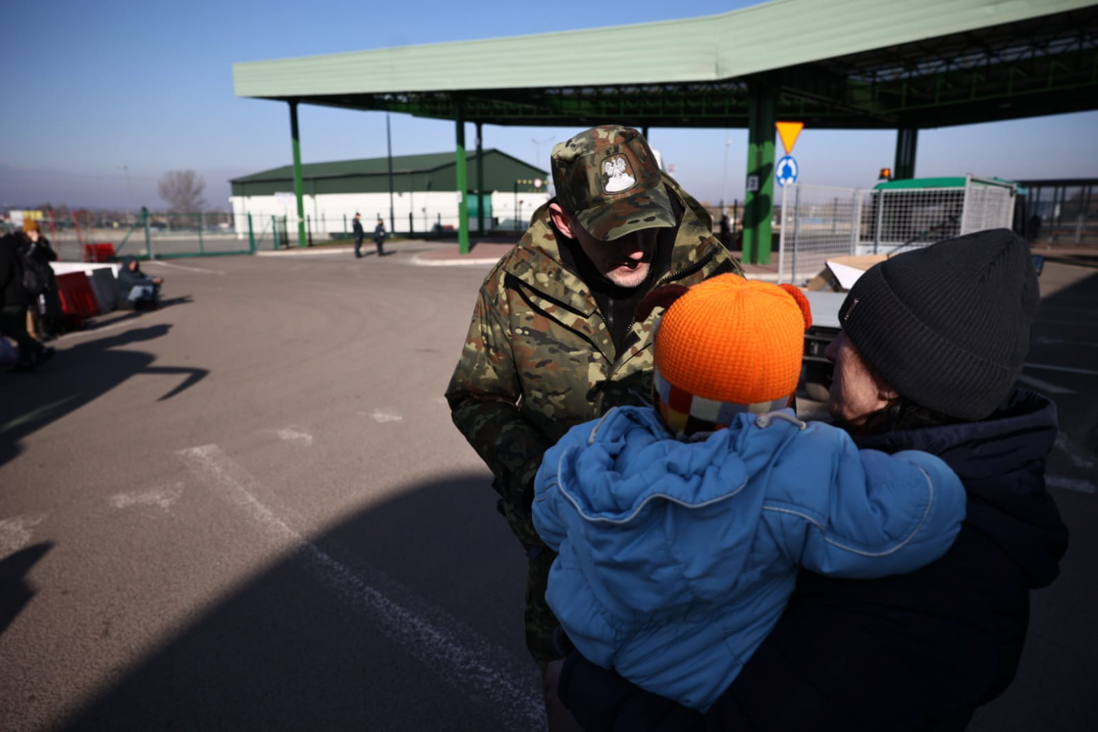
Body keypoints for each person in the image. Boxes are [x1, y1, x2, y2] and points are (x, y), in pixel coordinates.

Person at [555, 228, 1070, 732]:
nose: (829, 351)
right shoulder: (870, 485)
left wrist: (582, 680)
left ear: (893, 380)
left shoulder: (943, 578)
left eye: (851, 337)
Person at [532, 274, 966, 711]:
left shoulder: (597, 443)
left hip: (589, 650)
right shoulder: (787, 471)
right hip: (688, 686)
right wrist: (922, 459)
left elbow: (548, 519)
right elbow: (920, 510)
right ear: (779, 392)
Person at [445, 125, 741, 722]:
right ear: (562, 220)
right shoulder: (515, 285)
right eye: (611, 230)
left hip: (683, 551)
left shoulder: (713, 279)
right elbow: (477, 394)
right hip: (563, 545)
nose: (634, 245)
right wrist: (539, 482)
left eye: (645, 218)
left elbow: (754, 404)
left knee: (684, 695)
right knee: (566, 683)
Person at [0, 232, 53, 372]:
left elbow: (3, 274)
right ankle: (25, 361)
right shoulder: (17, 245)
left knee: (7, 327)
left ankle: (39, 349)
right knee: (20, 328)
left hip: (10, 296)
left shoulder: (3, 248)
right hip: (25, 292)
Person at [19, 219, 62, 340]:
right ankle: (41, 331)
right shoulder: (24, 245)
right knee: (39, 307)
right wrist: (34, 243)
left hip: (46, 278)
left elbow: (52, 256)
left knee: (51, 305)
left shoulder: (42, 242)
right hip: (33, 280)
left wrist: (42, 245)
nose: (34, 233)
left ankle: (51, 329)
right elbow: (28, 256)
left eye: (36, 230)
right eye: (31, 231)